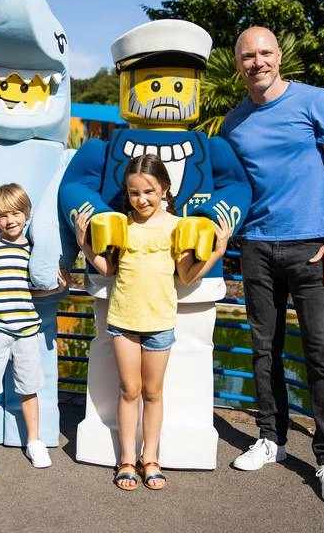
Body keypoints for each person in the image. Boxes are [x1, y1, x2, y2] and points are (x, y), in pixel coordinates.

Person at [221, 26, 324, 505]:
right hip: (257, 248)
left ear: (279, 56)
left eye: (265, 53)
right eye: (248, 55)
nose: (257, 62)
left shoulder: (316, 102)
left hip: (315, 249)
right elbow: (231, 186)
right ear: (238, 63)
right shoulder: (234, 122)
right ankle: (271, 438)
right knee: (264, 350)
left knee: (322, 353)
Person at [74, 154, 231, 491]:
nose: (141, 199)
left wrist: (218, 252)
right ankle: (126, 460)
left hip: (159, 321)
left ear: (164, 189)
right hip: (123, 320)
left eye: (148, 191)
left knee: (153, 393)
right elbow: (109, 269)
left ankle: (151, 459)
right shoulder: (121, 225)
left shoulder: (178, 226)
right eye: (134, 193)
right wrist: (83, 244)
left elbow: (186, 276)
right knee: (129, 390)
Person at [0, 183, 67, 472]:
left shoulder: (32, 250)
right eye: (2, 216)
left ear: (26, 213)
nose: (10, 220)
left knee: (29, 389)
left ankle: (34, 441)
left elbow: (32, 290)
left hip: (26, 332)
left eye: (15, 213)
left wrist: (59, 287)